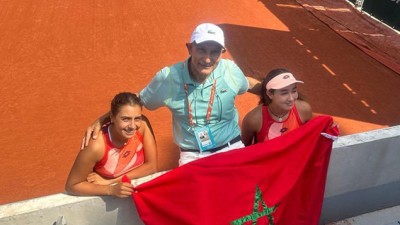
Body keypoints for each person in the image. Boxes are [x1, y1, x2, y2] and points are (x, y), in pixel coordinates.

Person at [82, 23, 260, 165]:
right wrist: (103, 119)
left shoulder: (230, 70)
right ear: (190, 48)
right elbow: (138, 100)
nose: (207, 59)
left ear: (222, 53)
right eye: (201, 50)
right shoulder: (167, 78)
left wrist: (274, 91)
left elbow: (249, 84)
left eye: (214, 52)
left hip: (231, 146)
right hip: (193, 156)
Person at [66, 92, 157, 198]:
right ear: (112, 117)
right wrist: (110, 190)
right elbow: (72, 185)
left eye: (137, 118)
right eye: (125, 119)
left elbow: (151, 167)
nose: (132, 126)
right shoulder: (96, 146)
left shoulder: (143, 126)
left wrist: (110, 181)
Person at [241, 68, 313, 146]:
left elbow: (310, 139)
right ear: (270, 94)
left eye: (294, 91)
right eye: (284, 93)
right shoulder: (253, 120)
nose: (291, 98)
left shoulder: (304, 110)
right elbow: (245, 149)